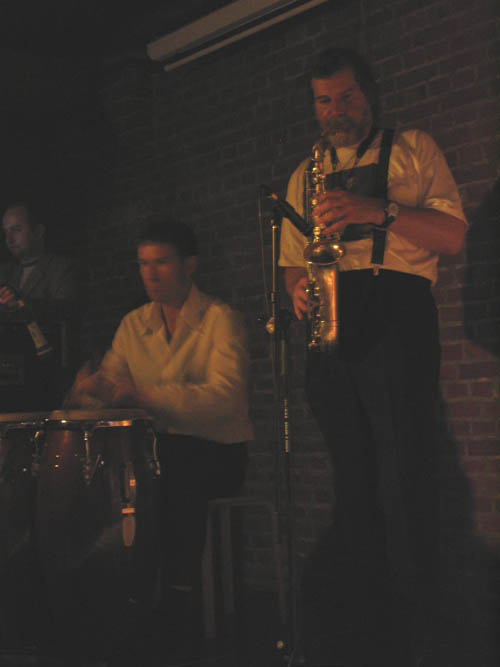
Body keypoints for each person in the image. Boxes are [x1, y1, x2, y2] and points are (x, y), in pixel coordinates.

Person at [279, 48, 467, 667]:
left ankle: (421, 625)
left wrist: (377, 211)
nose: (336, 110)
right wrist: (298, 290)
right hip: (332, 320)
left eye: (347, 97)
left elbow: (454, 236)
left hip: (397, 313)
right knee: (352, 475)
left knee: (408, 468)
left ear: (370, 94)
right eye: (324, 101)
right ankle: (367, 621)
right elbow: (292, 263)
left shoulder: (414, 148)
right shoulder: (304, 173)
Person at [66, 218, 254, 653]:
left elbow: (225, 398)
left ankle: (174, 603)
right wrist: (85, 393)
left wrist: (144, 396)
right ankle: (118, 598)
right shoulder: (134, 325)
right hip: (158, 455)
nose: (149, 274)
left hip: (217, 452)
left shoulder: (220, 320)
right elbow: (112, 386)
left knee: (170, 467)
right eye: (143, 264)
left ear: (190, 265)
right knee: (119, 472)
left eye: (161, 263)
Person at [0, 202, 79, 409]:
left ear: (38, 231)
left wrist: (22, 303)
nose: (9, 239)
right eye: (6, 232)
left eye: (16, 230)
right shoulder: (6, 273)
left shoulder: (60, 268)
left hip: (45, 372)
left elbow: (65, 310)